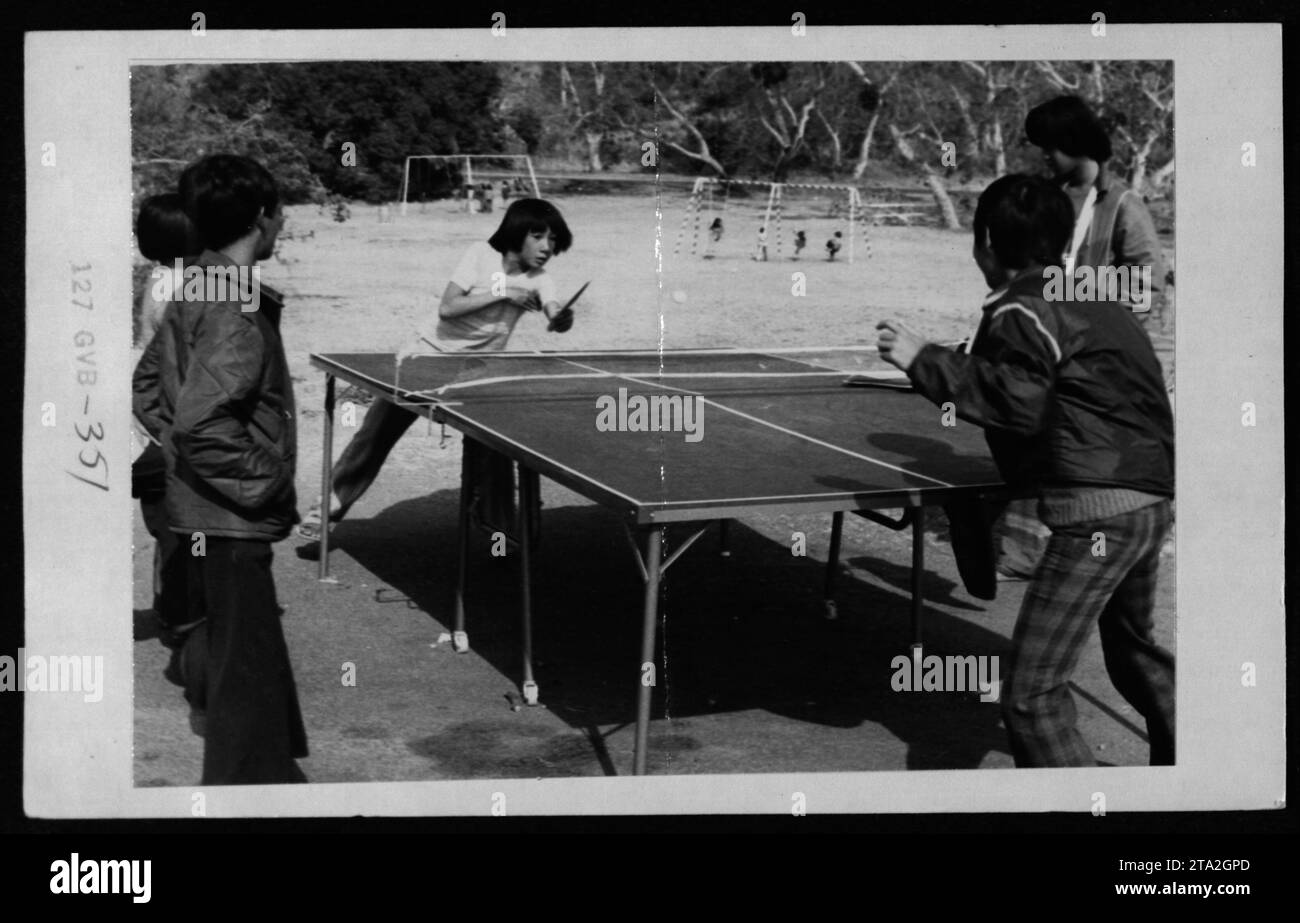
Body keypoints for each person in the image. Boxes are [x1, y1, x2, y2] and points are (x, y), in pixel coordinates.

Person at [876, 174, 1174, 767]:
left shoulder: (1019, 307)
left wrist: (923, 360)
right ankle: (1205, 780)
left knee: (1031, 697)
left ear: (985, 242)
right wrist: (964, 361)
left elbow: (1017, 404)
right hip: (1151, 500)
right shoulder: (1091, 294)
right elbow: (1074, 383)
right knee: (1135, 651)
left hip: (1099, 515)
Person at [133, 154, 308, 784]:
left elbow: (149, 386)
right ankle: (247, 788)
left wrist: (180, 456)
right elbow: (201, 423)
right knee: (244, 674)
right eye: (280, 212)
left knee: (244, 656)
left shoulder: (198, 284)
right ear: (262, 218)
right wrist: (266, 481)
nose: (282, 224)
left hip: (198, 508)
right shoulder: (234, 309)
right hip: (231, 518)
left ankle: (264, 773)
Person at [297, 198, 575, 540]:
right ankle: (325, 510)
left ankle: (499, 529)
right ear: (517, 232)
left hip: (476, 372)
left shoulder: (540, 279)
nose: (547, 247)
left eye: (553, 241)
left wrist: (561, 318)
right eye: (539, 237)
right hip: (426, 358)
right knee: (375, 436)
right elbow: (448, 308)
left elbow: (553, 309)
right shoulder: (479, 255)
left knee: (496, 445)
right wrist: (505, 294)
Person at [132, 194, 202, 643]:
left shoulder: (160, 276)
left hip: (142, 404)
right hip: (158, 408)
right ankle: (181, 615)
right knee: (178, 520)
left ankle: (167, 607)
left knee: (163, 520)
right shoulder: (179, 286)